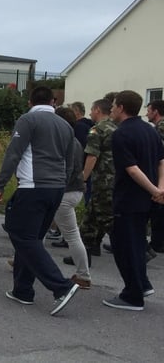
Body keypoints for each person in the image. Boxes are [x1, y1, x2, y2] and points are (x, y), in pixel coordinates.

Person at [0, 86, 80, 316]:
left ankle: (61, 286)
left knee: (20, 233)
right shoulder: (65, 125)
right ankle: (22, 290)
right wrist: (62, 182)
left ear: (30, 101)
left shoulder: (29, 119)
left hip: (33, 186)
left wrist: (0, 184)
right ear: (53, 101)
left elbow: (14, 152)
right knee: (32, 238)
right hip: (57, 187)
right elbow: (71, 160)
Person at [103, 90, 164, 310]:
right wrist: (159, 188)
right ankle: (143, 283)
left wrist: (154, 189)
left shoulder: (121, 134)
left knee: (123, 246)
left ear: (121, 108)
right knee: (137, 243)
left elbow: (132, 169)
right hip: (148, 199)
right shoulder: (150, 131)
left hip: (129, 198)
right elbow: (161, 161)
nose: (111, 109)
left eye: (113, 106)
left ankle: (132, 296)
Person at [68, 98, 116, 264]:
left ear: (97, 110)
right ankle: (85, 253)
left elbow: (92, 156)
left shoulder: (98, 129)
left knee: (107, 219)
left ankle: (141, 249)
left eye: (92, 110)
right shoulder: (116, 127)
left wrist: (83, 178)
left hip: (102, 180)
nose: (90, 113)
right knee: (90, 219)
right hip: (114, 179)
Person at [51, 107, 92, 289]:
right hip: (75, 191)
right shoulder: (75, 141)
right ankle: (19, 259)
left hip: (63, 192)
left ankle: (83, 275)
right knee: (38, 229)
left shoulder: (61, 141)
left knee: (71, 235)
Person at [145, 99, 164, 253]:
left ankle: (157, 242)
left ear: (156, 112)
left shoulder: (160, 128)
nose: (147, 113)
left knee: (159, 210)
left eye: (149, 110)